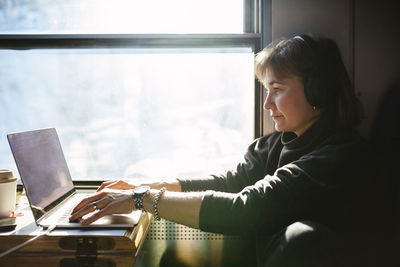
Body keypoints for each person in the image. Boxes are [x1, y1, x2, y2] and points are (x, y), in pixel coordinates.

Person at [69, 35, 382, 266]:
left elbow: (247, 208)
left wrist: (141, 199)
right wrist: (141, 188)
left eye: (278, 90)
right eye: (265, 90)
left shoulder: (340, 157)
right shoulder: (276, 145)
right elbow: (228, 184)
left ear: (319, 91)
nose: (267, 104)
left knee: (302, 236)